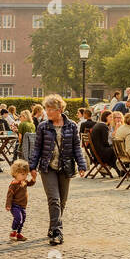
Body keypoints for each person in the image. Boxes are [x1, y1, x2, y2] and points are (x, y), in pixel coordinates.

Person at [27, 94, 86, 246]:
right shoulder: (43, 126)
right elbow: (37, 149)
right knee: (54, 199)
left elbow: (76, 148)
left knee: (63, 201)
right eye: (46, 109)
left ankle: (53, 227)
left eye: (50, 109)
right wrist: (32, 166)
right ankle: (57, 232)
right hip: (48, 167)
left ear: (59, 109)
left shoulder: (72, 125)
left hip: (65, 166)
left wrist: (81, 165)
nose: (47, 112)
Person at [5, 159, 33, 242]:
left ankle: (18, 233)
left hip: (23, 206)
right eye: (23, 174)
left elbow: (31, 183)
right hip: (15, 205)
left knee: (23, 219)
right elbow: (9, 196)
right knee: (18, 218)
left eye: (26, 174)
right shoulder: (13, 185)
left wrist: (33, 178)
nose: (25, 176)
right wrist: (8, 205)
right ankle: (13, 232)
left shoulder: (24, 182)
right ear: (15, 173)